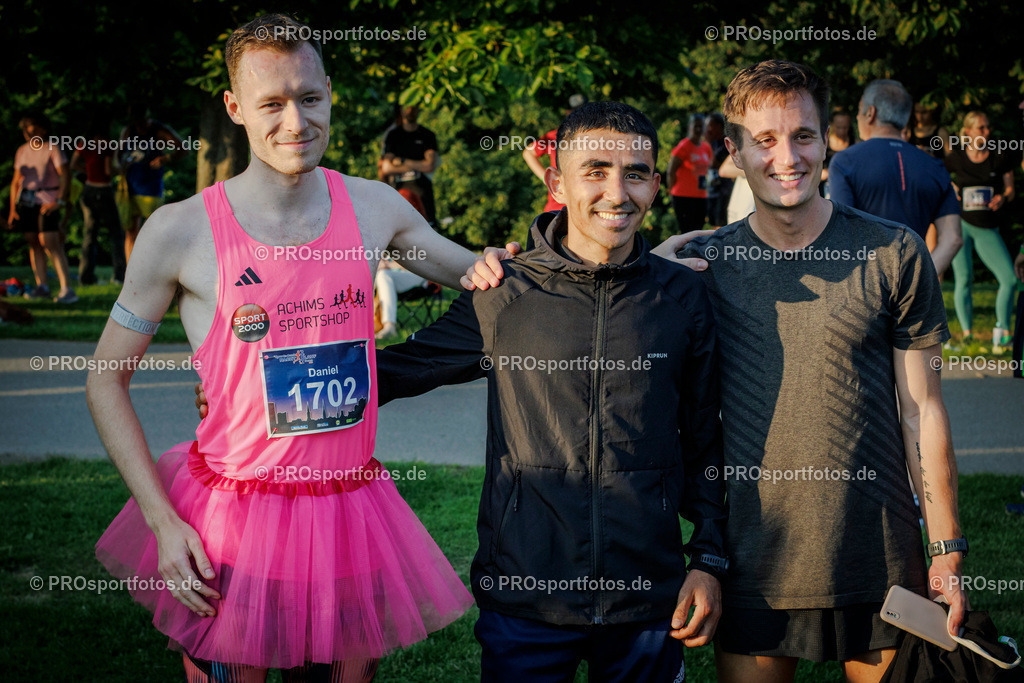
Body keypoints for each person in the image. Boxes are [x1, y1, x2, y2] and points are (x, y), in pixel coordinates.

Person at [467, 62, 969, 683]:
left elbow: (923, 409)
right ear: (731, 152)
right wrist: (506, 263)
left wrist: (946, 553)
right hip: (755, 556)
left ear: (828, 143)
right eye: (763, 140)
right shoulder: (702, 264)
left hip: (879, 551)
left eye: (803, 136)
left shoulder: (895, 253)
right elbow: (603, 280)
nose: (787, 157)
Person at [206, 101, 728, 681]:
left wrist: (706, 559)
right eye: (596, 170)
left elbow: (706, 440)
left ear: (657, 184)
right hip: (525, 598)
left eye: (635, 173)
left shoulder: (683, 298)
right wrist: (247, 392)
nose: (617, 191)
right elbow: (394, 372)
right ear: (556, 180)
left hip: (647, 602)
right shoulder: (505, 293)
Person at [89, 14, 511, 681]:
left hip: (348, 515)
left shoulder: (377, 206)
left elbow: (482, 272)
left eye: (310, 98)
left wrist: (628, 259)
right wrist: (162, 521)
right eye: (272, 103)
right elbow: (103, 379)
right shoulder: (179, 231)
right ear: (234, 108)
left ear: (330, 93)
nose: (296, 121)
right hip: (232, 523)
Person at [828, 79, 962, 277]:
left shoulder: (845, 161)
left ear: (870, 113)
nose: (857, 117)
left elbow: (842, 232)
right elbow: (953, 238)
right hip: (913, 293)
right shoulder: (935, 166)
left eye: (859, 110)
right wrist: (920, 281)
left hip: (865, 289)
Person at [944, 111, 1018, 352]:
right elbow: (939, 176)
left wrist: (1002, 198)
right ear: (968, 132)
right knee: (964, 279)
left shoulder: (999, 156)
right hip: (961, 225)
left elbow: (1010, 190)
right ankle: (967, 335)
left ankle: (1002, 332)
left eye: (987, 127)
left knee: (1009, 278)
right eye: (981, 128)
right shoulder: (956, 157)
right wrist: (951, 188)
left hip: (987, 227)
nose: (986, 132)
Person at [7, 113, 78, 303]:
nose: (27, 132)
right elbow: (16, 181)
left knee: (50, 241)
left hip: (48, 200)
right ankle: (42, 286)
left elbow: (65, 174)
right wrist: (13, 209)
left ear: (42, 129)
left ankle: (66, 288)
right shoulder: (22, 151)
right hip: (27, 201)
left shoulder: (52, 148)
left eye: (31, 127)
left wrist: (60, 201)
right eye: (25, 128)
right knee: (33, 241)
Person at [120, 104, 185, 261]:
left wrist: (165, 158)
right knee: (130, 231)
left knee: (153, 231)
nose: (137, 123)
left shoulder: (158, 130)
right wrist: (122, 164)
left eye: (139, 119)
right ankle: (131, 273)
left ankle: (153, 268)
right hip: (130, 186)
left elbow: (183, 148)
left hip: (151, 187)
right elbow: (120, 154)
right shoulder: (129, 130)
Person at [70, 116, 126, 285]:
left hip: (88, 191)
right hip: (104, 191)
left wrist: (88, 172)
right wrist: (122, 170)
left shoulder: (84, 144)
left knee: (89, 235)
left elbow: (73, 164)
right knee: (116, 235)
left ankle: (85, 277)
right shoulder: (108, 144)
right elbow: (109, 171)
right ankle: (119, 276)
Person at [522, 94, 587, 230]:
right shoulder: (555, 136)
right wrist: (546, 179)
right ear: (568, 113)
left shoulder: (596, 137)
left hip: (585, 209)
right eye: (576, 112)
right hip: (558, 209)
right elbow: (528, 153)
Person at [379, 104, 440, 227]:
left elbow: (429, 166)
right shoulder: (393, 135)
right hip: (399, 192)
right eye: (407, 107)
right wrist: (418, 164)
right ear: (401, 109)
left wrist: (401, 161)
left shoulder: (427, 135)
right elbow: (386, 168)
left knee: (428, 231)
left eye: (414, 107)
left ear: (419, 109)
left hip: (423, 193)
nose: (411, 111)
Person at [667, 113, 712, 231]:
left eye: (701, 126)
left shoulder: (706, 147)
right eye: (695, 126)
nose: (698, 129)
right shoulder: (684, 146)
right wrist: (671, 191)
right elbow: (671, 170)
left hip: (701, 196)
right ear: (690, 127)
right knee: (687, 232)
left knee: (699, 232)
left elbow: (708, 169)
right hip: (683, 196)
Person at [373, 258, 428, 339]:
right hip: (392, 274)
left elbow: (419, 262)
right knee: (367, 276)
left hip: (416, 274)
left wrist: (387, 265)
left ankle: (389, 326)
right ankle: (361, 324)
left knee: (382, 274)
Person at [705, 112, 734, 227]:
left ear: (718, 125)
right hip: (712, 190)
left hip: (723, 191)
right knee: (713, 222)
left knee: (719, 224)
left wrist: (707, 142)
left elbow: (713, 163)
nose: (708, 129)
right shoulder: (713, 143)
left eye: (710, 125)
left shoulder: (726, 143)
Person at [820, 107, 855, 198]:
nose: (842, 131)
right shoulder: (822, 145)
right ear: (831, 125)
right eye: (838, 127)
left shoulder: (855, 146)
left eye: (845, 127)